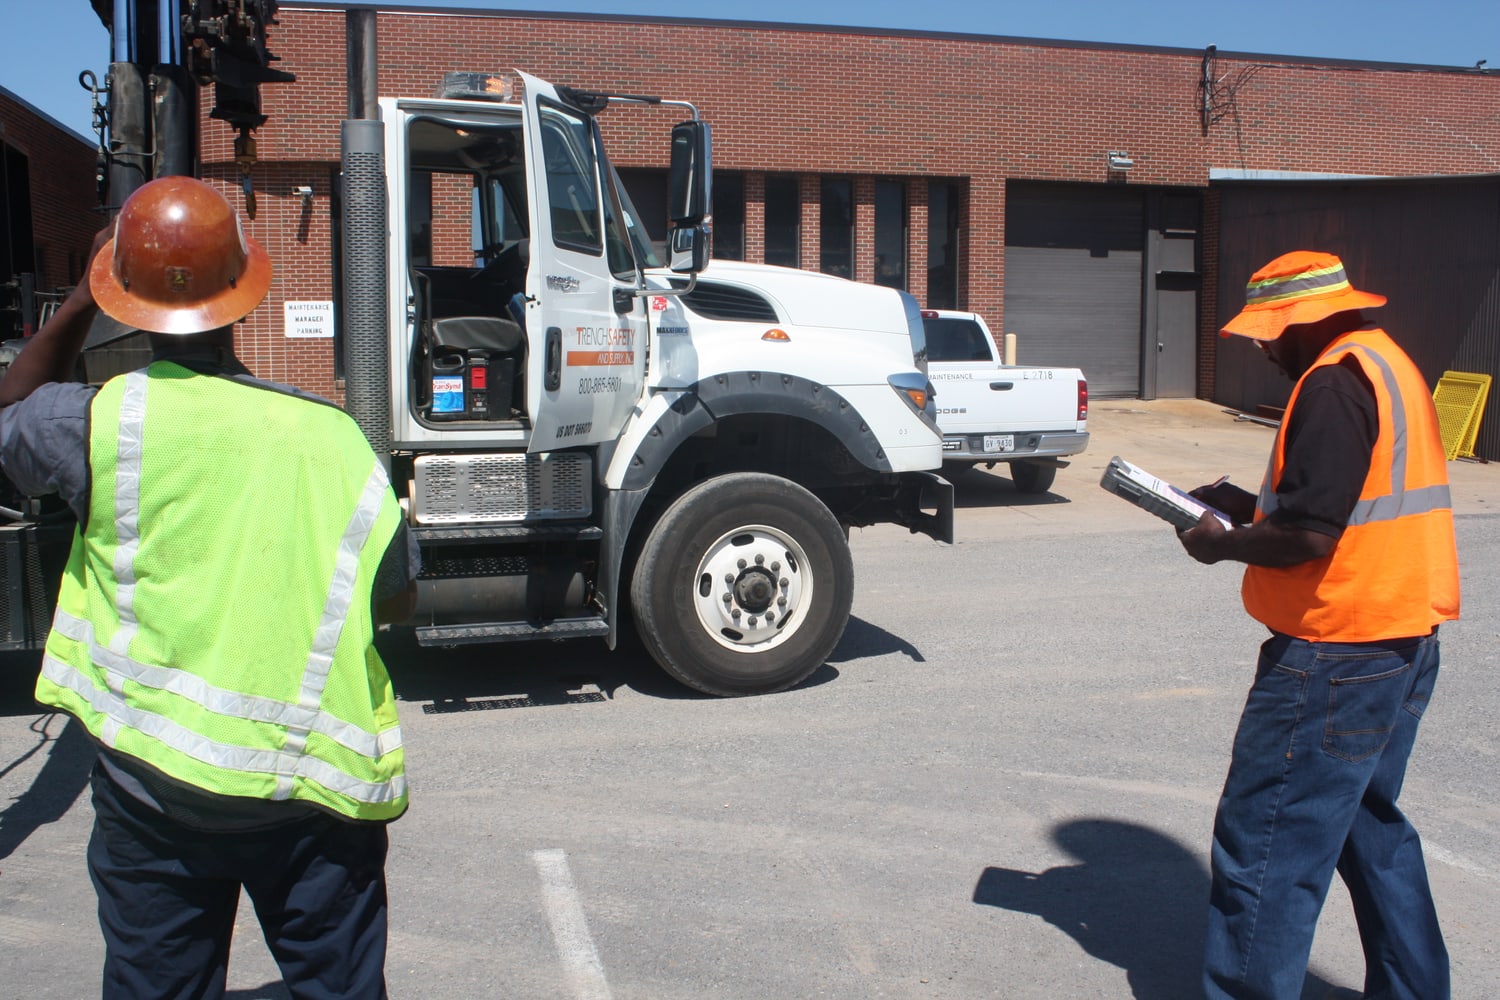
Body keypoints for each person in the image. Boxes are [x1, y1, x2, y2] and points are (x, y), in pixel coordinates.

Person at [0, 175, 418, 999]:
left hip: (150, 793)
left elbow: (10, 407)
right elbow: (394, 597)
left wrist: (83, 301)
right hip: (310, 797)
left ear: (125, 300)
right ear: (245, 297)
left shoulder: (96, 421)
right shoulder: (333, 438)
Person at [1179, 250, 1460, 1000]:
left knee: (1265, 849)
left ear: (1303, 321)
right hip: (1399, 636)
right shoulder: (1384, 362)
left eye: (1270, 334)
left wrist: (1223, 543)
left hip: (1336, 655)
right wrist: (1252, 507)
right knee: (1371, 833)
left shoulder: (1331, 384)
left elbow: (1310, 536)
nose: (1266, 350)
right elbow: (1342, 503)